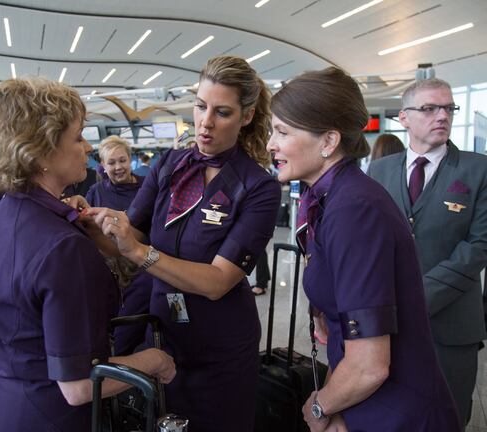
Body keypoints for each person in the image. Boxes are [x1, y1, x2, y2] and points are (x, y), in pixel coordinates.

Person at [83, 55, 281, 432]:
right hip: (166, 334)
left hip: (221, 342)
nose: (205, 123)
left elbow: (217, 281)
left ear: (247, 116)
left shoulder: (258, 187)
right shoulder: (170, 165)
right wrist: (94, 226)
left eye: (222, 112)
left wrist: (140, 253)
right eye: (201, 106)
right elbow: (128, 241)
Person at [0, 77, 175, 431]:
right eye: (78, 137)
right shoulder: (64, 247)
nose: (87, 149)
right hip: (46, 415)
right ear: (43, 150)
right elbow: (79, 386)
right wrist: (154, 360)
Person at [267, 67, 459, 431]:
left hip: (396, 413)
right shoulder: (331, 199)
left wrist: (319, 407)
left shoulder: (354, 208)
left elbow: (370, 365)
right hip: (364, 402)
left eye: (282, 132)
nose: (270, 145)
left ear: (328, 141)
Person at [368, 78, 487, 430]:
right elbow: (370, 240)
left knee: (447, 416)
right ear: (404, 118)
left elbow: (479, 246)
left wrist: (418, 296)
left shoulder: (477, 169)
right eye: (430, 108)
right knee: (394, 412)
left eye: (449, 108)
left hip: (450, 326)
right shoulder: (380, 170)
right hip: (389, 322)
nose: (442, 116)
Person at [86, 135, 153, 355]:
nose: (118, 167)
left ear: (131, 160)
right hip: (113, 272)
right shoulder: (96, 193)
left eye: (122, 160)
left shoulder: (147, 188)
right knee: (121, 326)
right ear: (102, 166)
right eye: (111, 163)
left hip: (145, 266)